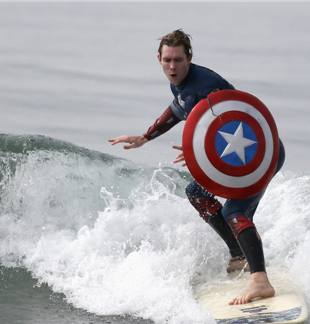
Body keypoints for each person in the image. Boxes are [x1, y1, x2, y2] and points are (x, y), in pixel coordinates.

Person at [109, 29, 285, 305]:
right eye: (167, 60)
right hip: (241, 154)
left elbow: (231, 122)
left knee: (234, 211)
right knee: (198, 193)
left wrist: (201, 151)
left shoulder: (206, 87)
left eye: (178, 60)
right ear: (159, 59)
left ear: (190, 58)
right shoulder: (181, 83)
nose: (172, 66)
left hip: (258, 155)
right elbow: (178, 109)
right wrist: (146, 137)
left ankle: (260, 281)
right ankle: (240, 254)